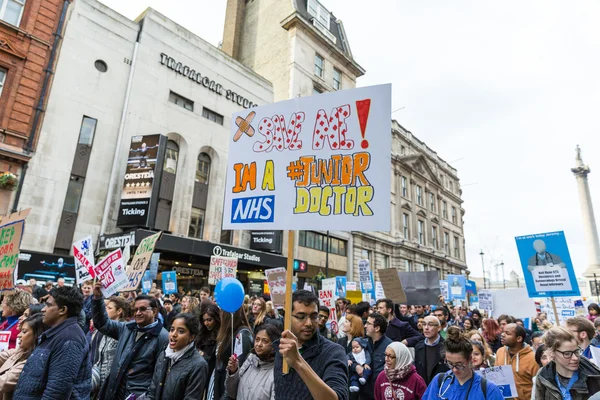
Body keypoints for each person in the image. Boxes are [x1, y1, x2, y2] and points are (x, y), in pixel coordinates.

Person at [91, 283, 168, 400]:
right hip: (115, 391)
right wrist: (97, 299)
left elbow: (160, 377)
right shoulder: (126, 328)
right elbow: (102, 323)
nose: (137, 313)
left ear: (154, 311)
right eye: (135, 310)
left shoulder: (162, 337)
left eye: (142, 309)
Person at [13, 286, 91, 398]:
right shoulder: (57, 333)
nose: (43, 309)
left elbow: (56, 392)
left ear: (62, 310)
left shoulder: (70, 339)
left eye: (48, 305)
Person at [274, 290, 348, 400]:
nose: (308, 323)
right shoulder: (281, 348)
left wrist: (298, 362)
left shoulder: (333, 352)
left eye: (314, 316)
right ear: (287, 317)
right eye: (301, 316)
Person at [421, 326, 503, 400]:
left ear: (470, 359)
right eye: (450, 364)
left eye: (459, 365)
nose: (454, 370)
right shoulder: (439, 381)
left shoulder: (489, 389)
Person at [146, 313, 208, 399]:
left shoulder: (198, 364)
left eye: (180, 331)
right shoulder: (164, 355)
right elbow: (152, 392)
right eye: (172, 329)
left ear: (191, 337)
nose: (173, 334)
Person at [535, 326, 600, 399]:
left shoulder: (593, 375)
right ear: (552, 353)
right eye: (567, 353)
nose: (575, 358)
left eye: (577, 351)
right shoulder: (543, 375)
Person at [225, 323, 281, 400]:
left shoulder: (276, 371)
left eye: (265, 341)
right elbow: (231, 392)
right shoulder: (250, 361)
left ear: (274, 345)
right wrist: (233, 372)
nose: (259, 344)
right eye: (257, 339)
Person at [0, 314, 47, 398]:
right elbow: (3, 355)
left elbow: (3, 382)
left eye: (24, 332)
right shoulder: (22, 351)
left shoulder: (32, 361)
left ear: (37, 335)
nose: (19, 335)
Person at [91, 296, 129, 398]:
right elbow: (100, 360)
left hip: (114, 386)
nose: (105, 310)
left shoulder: (124, 331)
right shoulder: (103, 332)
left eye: (109, 308)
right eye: (105, 307)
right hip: (101, 385)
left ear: (119, 311)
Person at [211, 307, 253, 400]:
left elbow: (240, 370)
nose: (219, 314)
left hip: (228, 392)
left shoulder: (242, 334)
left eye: (221, 311)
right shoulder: (225, 332)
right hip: (218, 385)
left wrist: (226, 396)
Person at [495, 323, 538, 400]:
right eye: (503, 332)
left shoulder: (533, 358)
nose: (502, 335)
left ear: (519, 339)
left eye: (507, 333)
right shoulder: (500, 352)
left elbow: (537, 385)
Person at [359, 312, 393, 400]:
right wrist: (356, 366)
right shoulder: (363, 343)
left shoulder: (390, 347)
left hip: (380, 393)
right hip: (363, 392)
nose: (365, 326)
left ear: (377, 328)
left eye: (368, 323)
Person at [414, 315, 450, 385]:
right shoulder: (418, 347)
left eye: (430, 325)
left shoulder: (447, 346)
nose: (426, 328)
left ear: (439, 328)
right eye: (424, 324)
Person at [198, 303, 220, 379]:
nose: (206, 323)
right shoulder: (202, 333)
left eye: (209, 320)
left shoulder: (220, 336)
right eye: (204, 320)